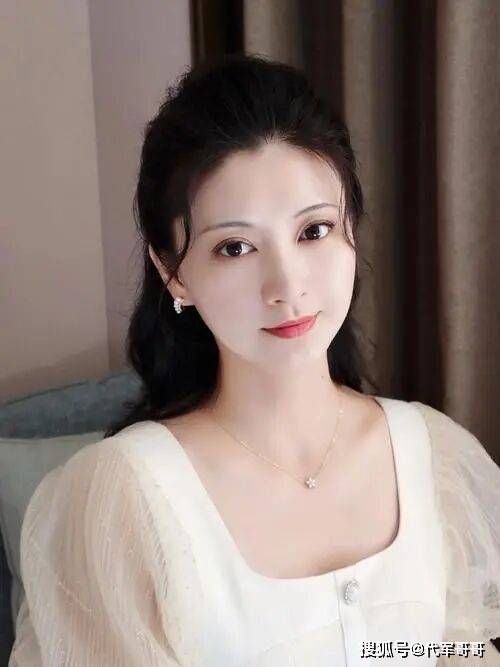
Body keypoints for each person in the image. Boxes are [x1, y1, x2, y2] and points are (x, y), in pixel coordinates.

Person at [9, 54, 500, 666]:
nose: (287, 286)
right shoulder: (120, 499)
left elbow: (457, 650)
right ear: (173, 272)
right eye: (235, 247)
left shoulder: (433, 456)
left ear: (351, 228)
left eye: (314, 231)